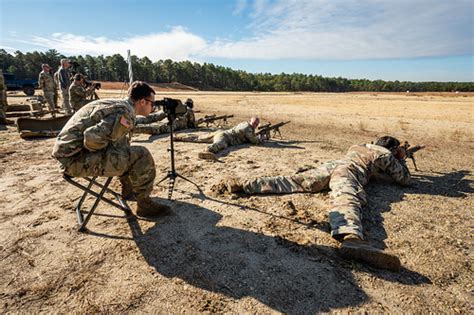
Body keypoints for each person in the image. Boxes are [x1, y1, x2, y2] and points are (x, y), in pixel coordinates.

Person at [223, 136, 411, 271]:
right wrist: (401, 160)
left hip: (331, 166)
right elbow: (403, 179)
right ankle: (351, 238)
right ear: (392, 149)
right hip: (348, 172)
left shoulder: (358, 146)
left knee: (292, 181)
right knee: (346, 197)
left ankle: (244, 185)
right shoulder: (385, 155)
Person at [52, 81, 170, 217]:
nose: (153, 107)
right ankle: (144, 205)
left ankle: (128, 190)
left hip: (68, 157)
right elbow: (91, 139)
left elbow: (136, 122)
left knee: (123, 145)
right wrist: (108, 149)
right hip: (74, 161)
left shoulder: (121, 106)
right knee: (142, 154)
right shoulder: (124, 112)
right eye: (152, 104)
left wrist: (163, 114)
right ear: (142, 102)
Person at [196, 116, 260, 160]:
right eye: (254, 123)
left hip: (222, 133)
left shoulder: (245, 123)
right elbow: (254, 141)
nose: (255, 125)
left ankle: (185, 138)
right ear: (250, 121)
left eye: (256, 124)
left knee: (198, 138)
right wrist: (261, 139)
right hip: (225, 137)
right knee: (221, 144)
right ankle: (207, 151)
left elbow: (249, 136)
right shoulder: (248, 129)